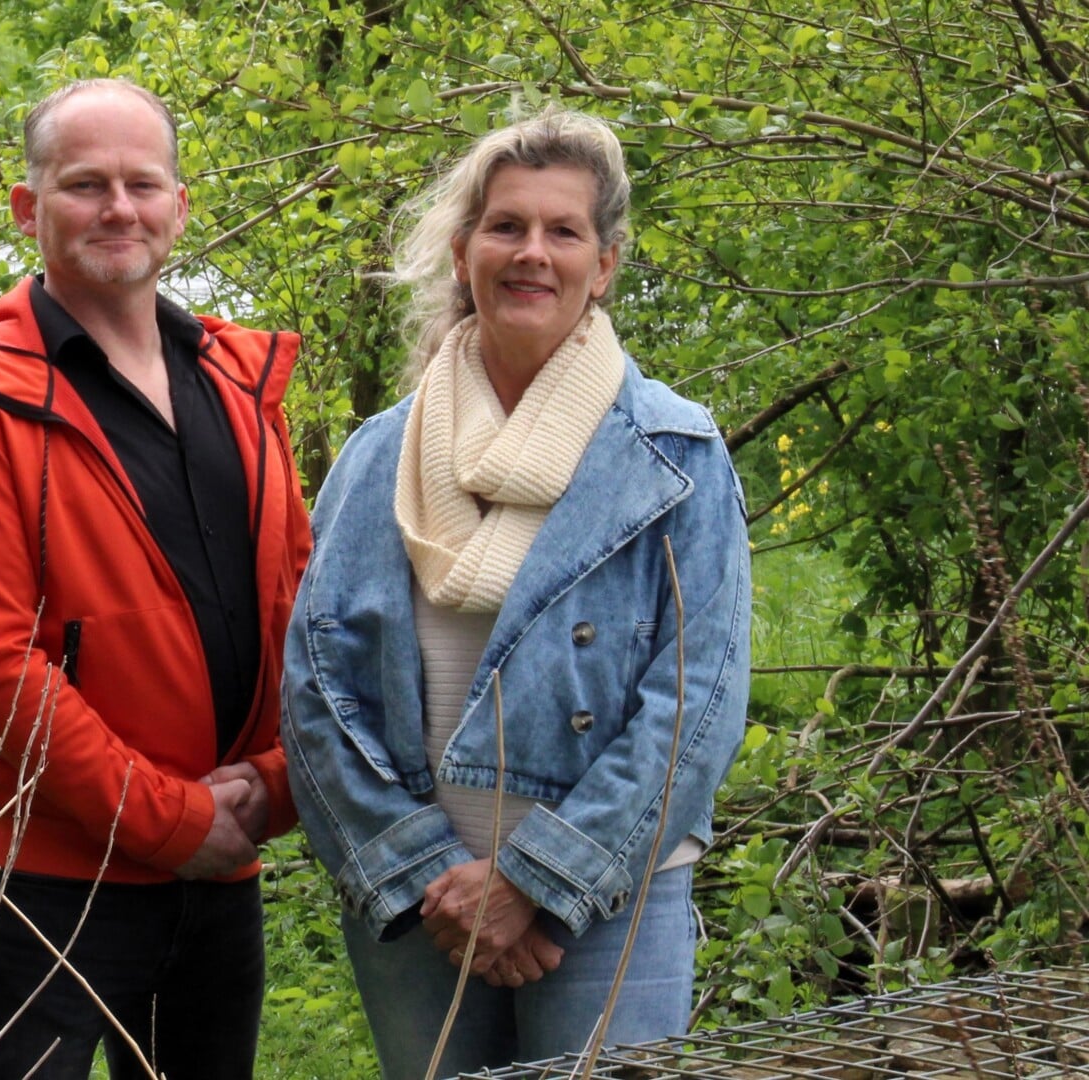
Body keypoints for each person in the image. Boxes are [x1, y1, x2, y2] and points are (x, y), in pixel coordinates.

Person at [281, 109, 751, 1078]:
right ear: (462, 253)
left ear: (605, 263)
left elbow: (697, 701)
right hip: (422, 914)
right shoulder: (377, 457)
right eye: (505, 227)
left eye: (561, 230)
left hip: (612, 903)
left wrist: (538, 882)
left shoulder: (675, 455)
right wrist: (424, 883)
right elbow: (312, 690)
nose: (530, 252)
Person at [0, 79, 309, 1079]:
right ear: (29, 210)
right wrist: (173, 823)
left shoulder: (238, 385)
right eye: (84, 185)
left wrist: (271, 789)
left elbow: (307, 621)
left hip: (222, 869)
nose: (117, 207)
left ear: (178, 205)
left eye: (141, 183)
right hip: (50, 887)